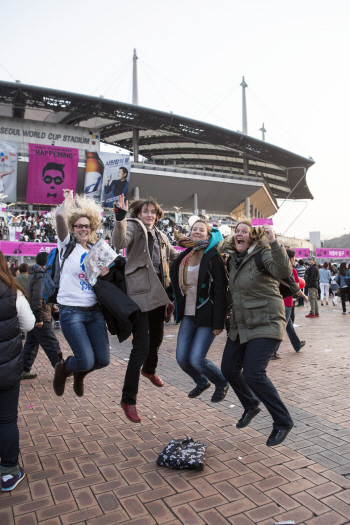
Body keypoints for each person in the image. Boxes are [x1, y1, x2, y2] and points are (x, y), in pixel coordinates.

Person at [220, 219, 294, 447]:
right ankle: (251, 405)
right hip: (241, 323)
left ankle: (283, 422)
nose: (240, 234)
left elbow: (283, 270)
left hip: (266, 321)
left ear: (253, 237)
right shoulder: (233, 259)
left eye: (245, 231)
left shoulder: (263, 254)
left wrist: (274, 242)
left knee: (253, 373)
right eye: (237, 232)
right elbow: (234, 290)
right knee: (228, 369)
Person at [112, 194, 178, 423]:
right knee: (140, 347)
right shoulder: (133, 226)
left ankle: (149, 370)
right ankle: (128, 399)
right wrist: (120, 217)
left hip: (160, 295)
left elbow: (174, 257)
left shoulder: (160, 235)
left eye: (152, 212)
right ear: (138, 214)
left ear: (157, 216)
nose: (149, 215)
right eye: (145, 211)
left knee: (157, 338)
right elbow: (119, 242)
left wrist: (198, 250)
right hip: (140, 294)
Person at [53, 190, 110, 397]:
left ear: (92, 227)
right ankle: (64, 369)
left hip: (95, 312)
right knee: (85, 360)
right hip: (72, 312)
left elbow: (100, 282)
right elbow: (60, 216)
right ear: (73, 228)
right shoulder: (66, 246)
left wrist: (104, 274)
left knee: (103, 360)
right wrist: (69, 200)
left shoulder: (96, 249)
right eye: (79, 226)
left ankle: (79, 373)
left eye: (86, 226)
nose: (83, 229)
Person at [170, 221, 229, 403]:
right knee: (181, 358)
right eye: (194, 229)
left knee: (197, 359)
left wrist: (219, 322)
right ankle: (202, 381)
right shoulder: (186, 254)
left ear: (208, 234)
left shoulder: (213, 256)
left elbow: (221, 290)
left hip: (207, 314)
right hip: (188, 314)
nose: (197, 232)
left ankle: (221, 383)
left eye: (201, 230)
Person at [0, 250, 35, 491]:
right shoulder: (13, 293)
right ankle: (8, 472)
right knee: (7, 420)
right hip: (7, 371)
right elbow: (29, 324)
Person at [21, 252, 63, 380]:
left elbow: (39, 297)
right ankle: (62, 371)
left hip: (36, 314)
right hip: (41, 317)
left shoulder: (33, 274)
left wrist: (51, 305)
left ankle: (23, 370)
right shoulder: (40, 276)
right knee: (52, 344)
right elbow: (38, 298)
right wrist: (39, 318)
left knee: (31, 345)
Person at [271, 249, 308, 359]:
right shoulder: (292, 270)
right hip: (286, 303)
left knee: (289, 325)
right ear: (291, 259)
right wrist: (305, 296)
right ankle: (273, 351)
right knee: (282, 327)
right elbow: (296, 289)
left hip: (277, 302)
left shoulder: (275, 269)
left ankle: (297, 345)